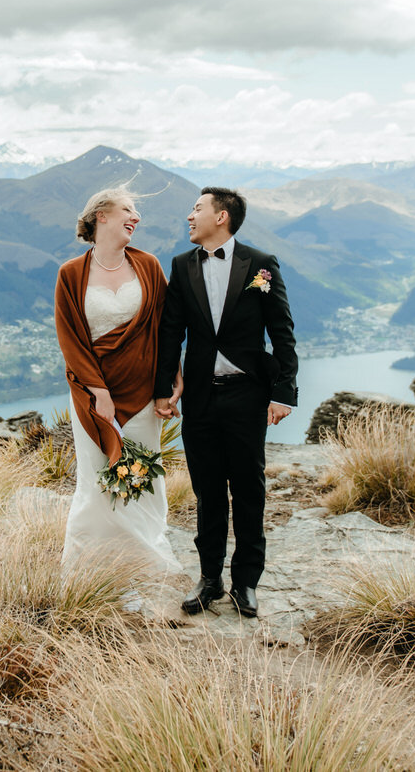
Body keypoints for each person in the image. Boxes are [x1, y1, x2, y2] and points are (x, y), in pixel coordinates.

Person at [154, 187, 297, 618]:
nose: (189, 216)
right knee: (208, 491)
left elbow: (282, 329)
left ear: (221, 216)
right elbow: (170, 331)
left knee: (249, 490)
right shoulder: (181, 266)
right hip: (200, 397)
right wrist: (165, 388)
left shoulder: (261, 265)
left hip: (247, 394)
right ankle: (210, 579)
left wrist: (282, 392)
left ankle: (246, 582)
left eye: (197, 209)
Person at [53, 186, 180, 575]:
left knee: (145, 479)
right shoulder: (71, 274)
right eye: (128, 209)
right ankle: (91, 571)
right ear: (100, 216)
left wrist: (172, 382)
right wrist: (99, 393)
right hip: (92, 396)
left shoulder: (148, 265)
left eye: (136, 212)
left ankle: (145, 564)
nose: (136, 217)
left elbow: (165, 329)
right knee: (96, 481)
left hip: (143, 394)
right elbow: (70, 339)